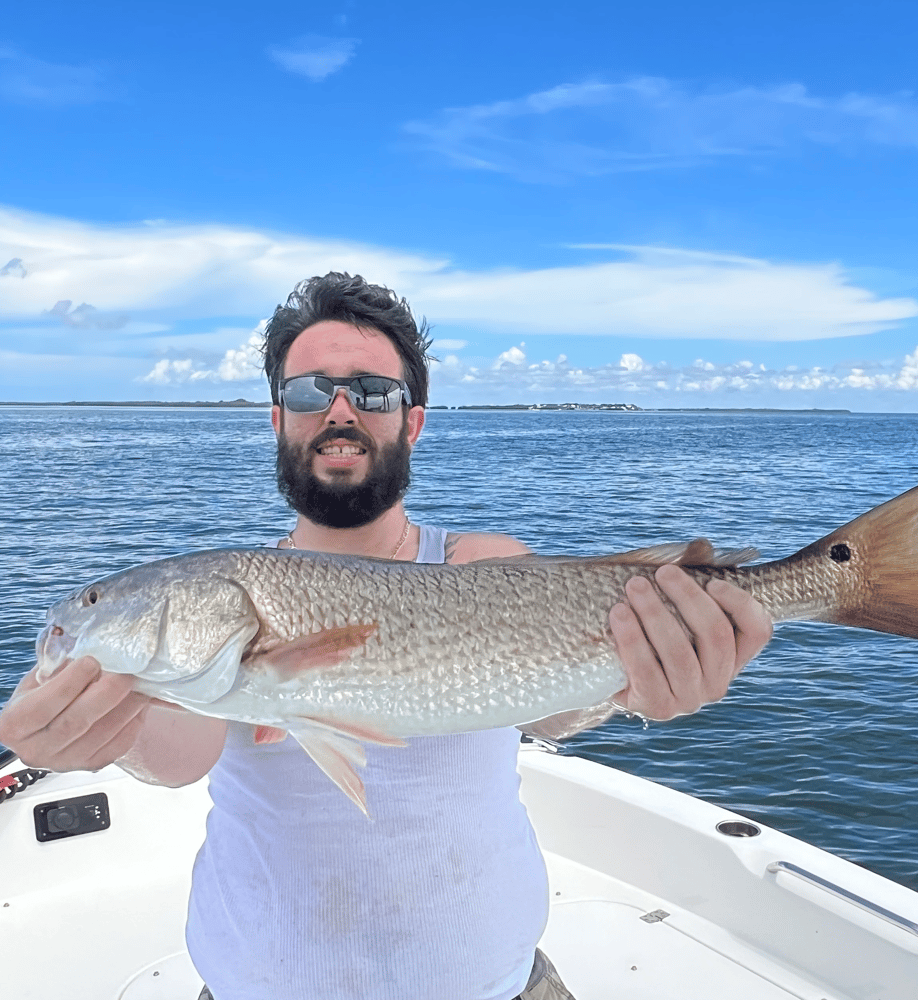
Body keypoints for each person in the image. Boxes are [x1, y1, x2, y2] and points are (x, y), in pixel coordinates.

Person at [0, 273, 773, 1000]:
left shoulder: (484, 562)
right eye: (311, 391)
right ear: (278, 418)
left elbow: (548, 706)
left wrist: (644, 685)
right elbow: (176, 756)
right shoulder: (227, 613)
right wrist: (103, 729)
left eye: (373, 390)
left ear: (414, 420)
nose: (341, 411)